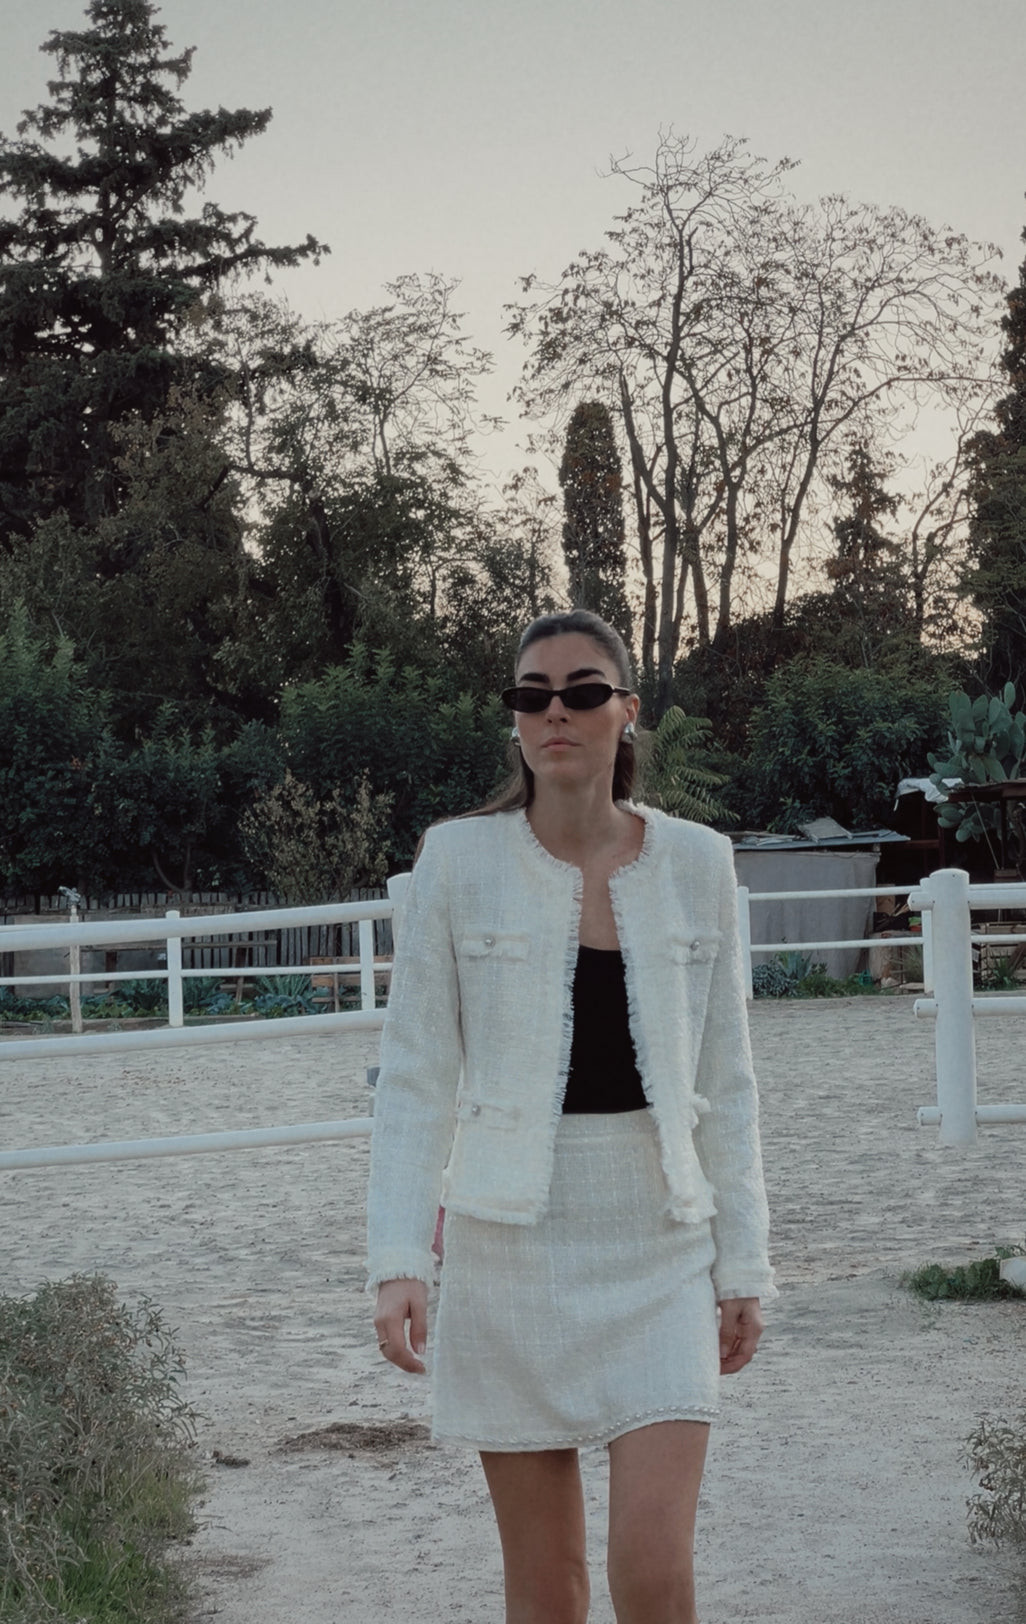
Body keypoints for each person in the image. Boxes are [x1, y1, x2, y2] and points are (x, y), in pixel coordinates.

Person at [366, 609, 775, 1624]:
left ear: (626, 711)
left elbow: (727, 1083)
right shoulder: (455, 863)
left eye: (584, 692)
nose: (557, 712)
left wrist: (744, 1266)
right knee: (548, 1591)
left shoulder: (699, 863)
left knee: (655, 1571)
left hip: (662, 1243)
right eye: (532, 694)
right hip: (509, 1254)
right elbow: (415, 1079)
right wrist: (398, 1259)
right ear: (514, 718)